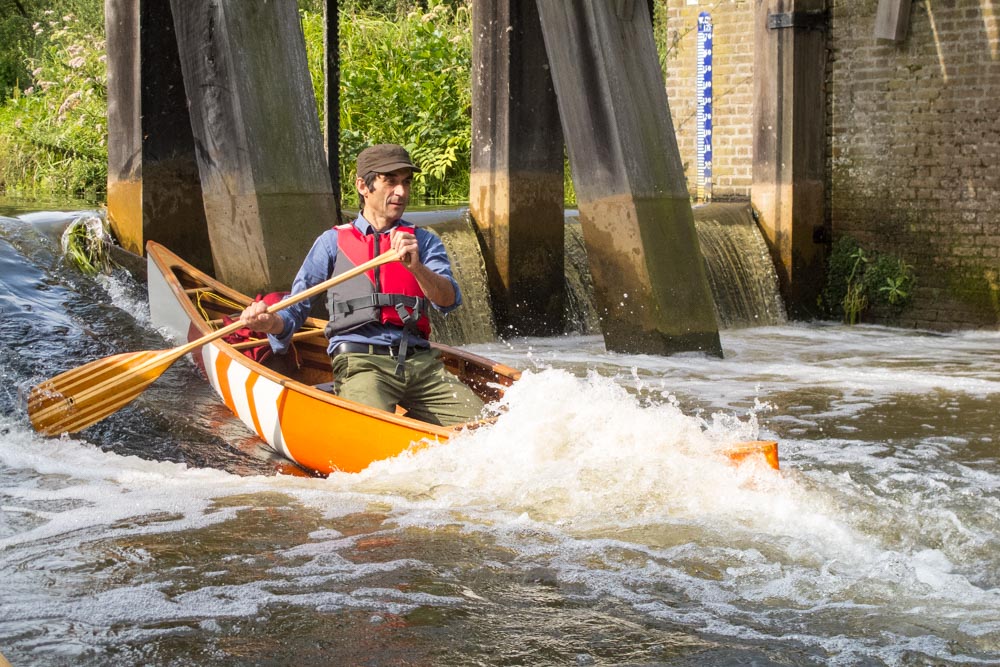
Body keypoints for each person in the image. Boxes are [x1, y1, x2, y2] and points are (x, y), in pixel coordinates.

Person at [239, 143, 485, 426]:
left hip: (420, 362)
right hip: (361, 362)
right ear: (363, 186)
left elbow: (448, 300)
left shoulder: (424, 241)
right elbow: (293, 313)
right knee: (375, 429)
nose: (401, 192)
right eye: (390, 181)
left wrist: (416, 267)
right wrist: (270, 324)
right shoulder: (331, 243)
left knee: (481, 429)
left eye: (406, 182)